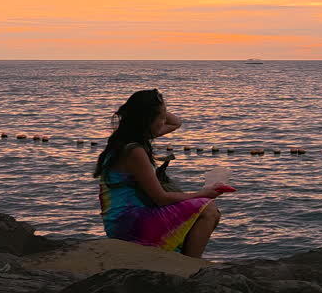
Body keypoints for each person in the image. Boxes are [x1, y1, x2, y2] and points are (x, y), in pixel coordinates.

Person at [93, 90, 226, 257]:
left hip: (122, 221)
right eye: (160, 117)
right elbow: (161, 198)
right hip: (131, 224)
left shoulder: (125, 140)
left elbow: (176, 123)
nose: (163, 122)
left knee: (200, 209)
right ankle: (191, 265)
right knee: (208, 209)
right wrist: (204, 194)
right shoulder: (134, 151)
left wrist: (157, 106)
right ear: (147, 119)